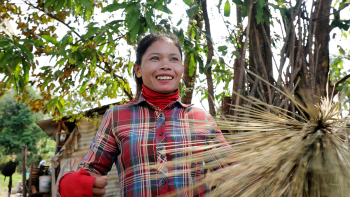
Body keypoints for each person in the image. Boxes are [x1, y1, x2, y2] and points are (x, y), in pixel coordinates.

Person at [58, 33, 233, 197]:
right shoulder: (117, 116)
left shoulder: (199, 117)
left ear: (180, 68)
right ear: (138, 69)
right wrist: (71, 184)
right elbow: (90, 170)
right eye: (155, 58)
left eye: (174, 59)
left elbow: (232, 170)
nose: (166, 65)